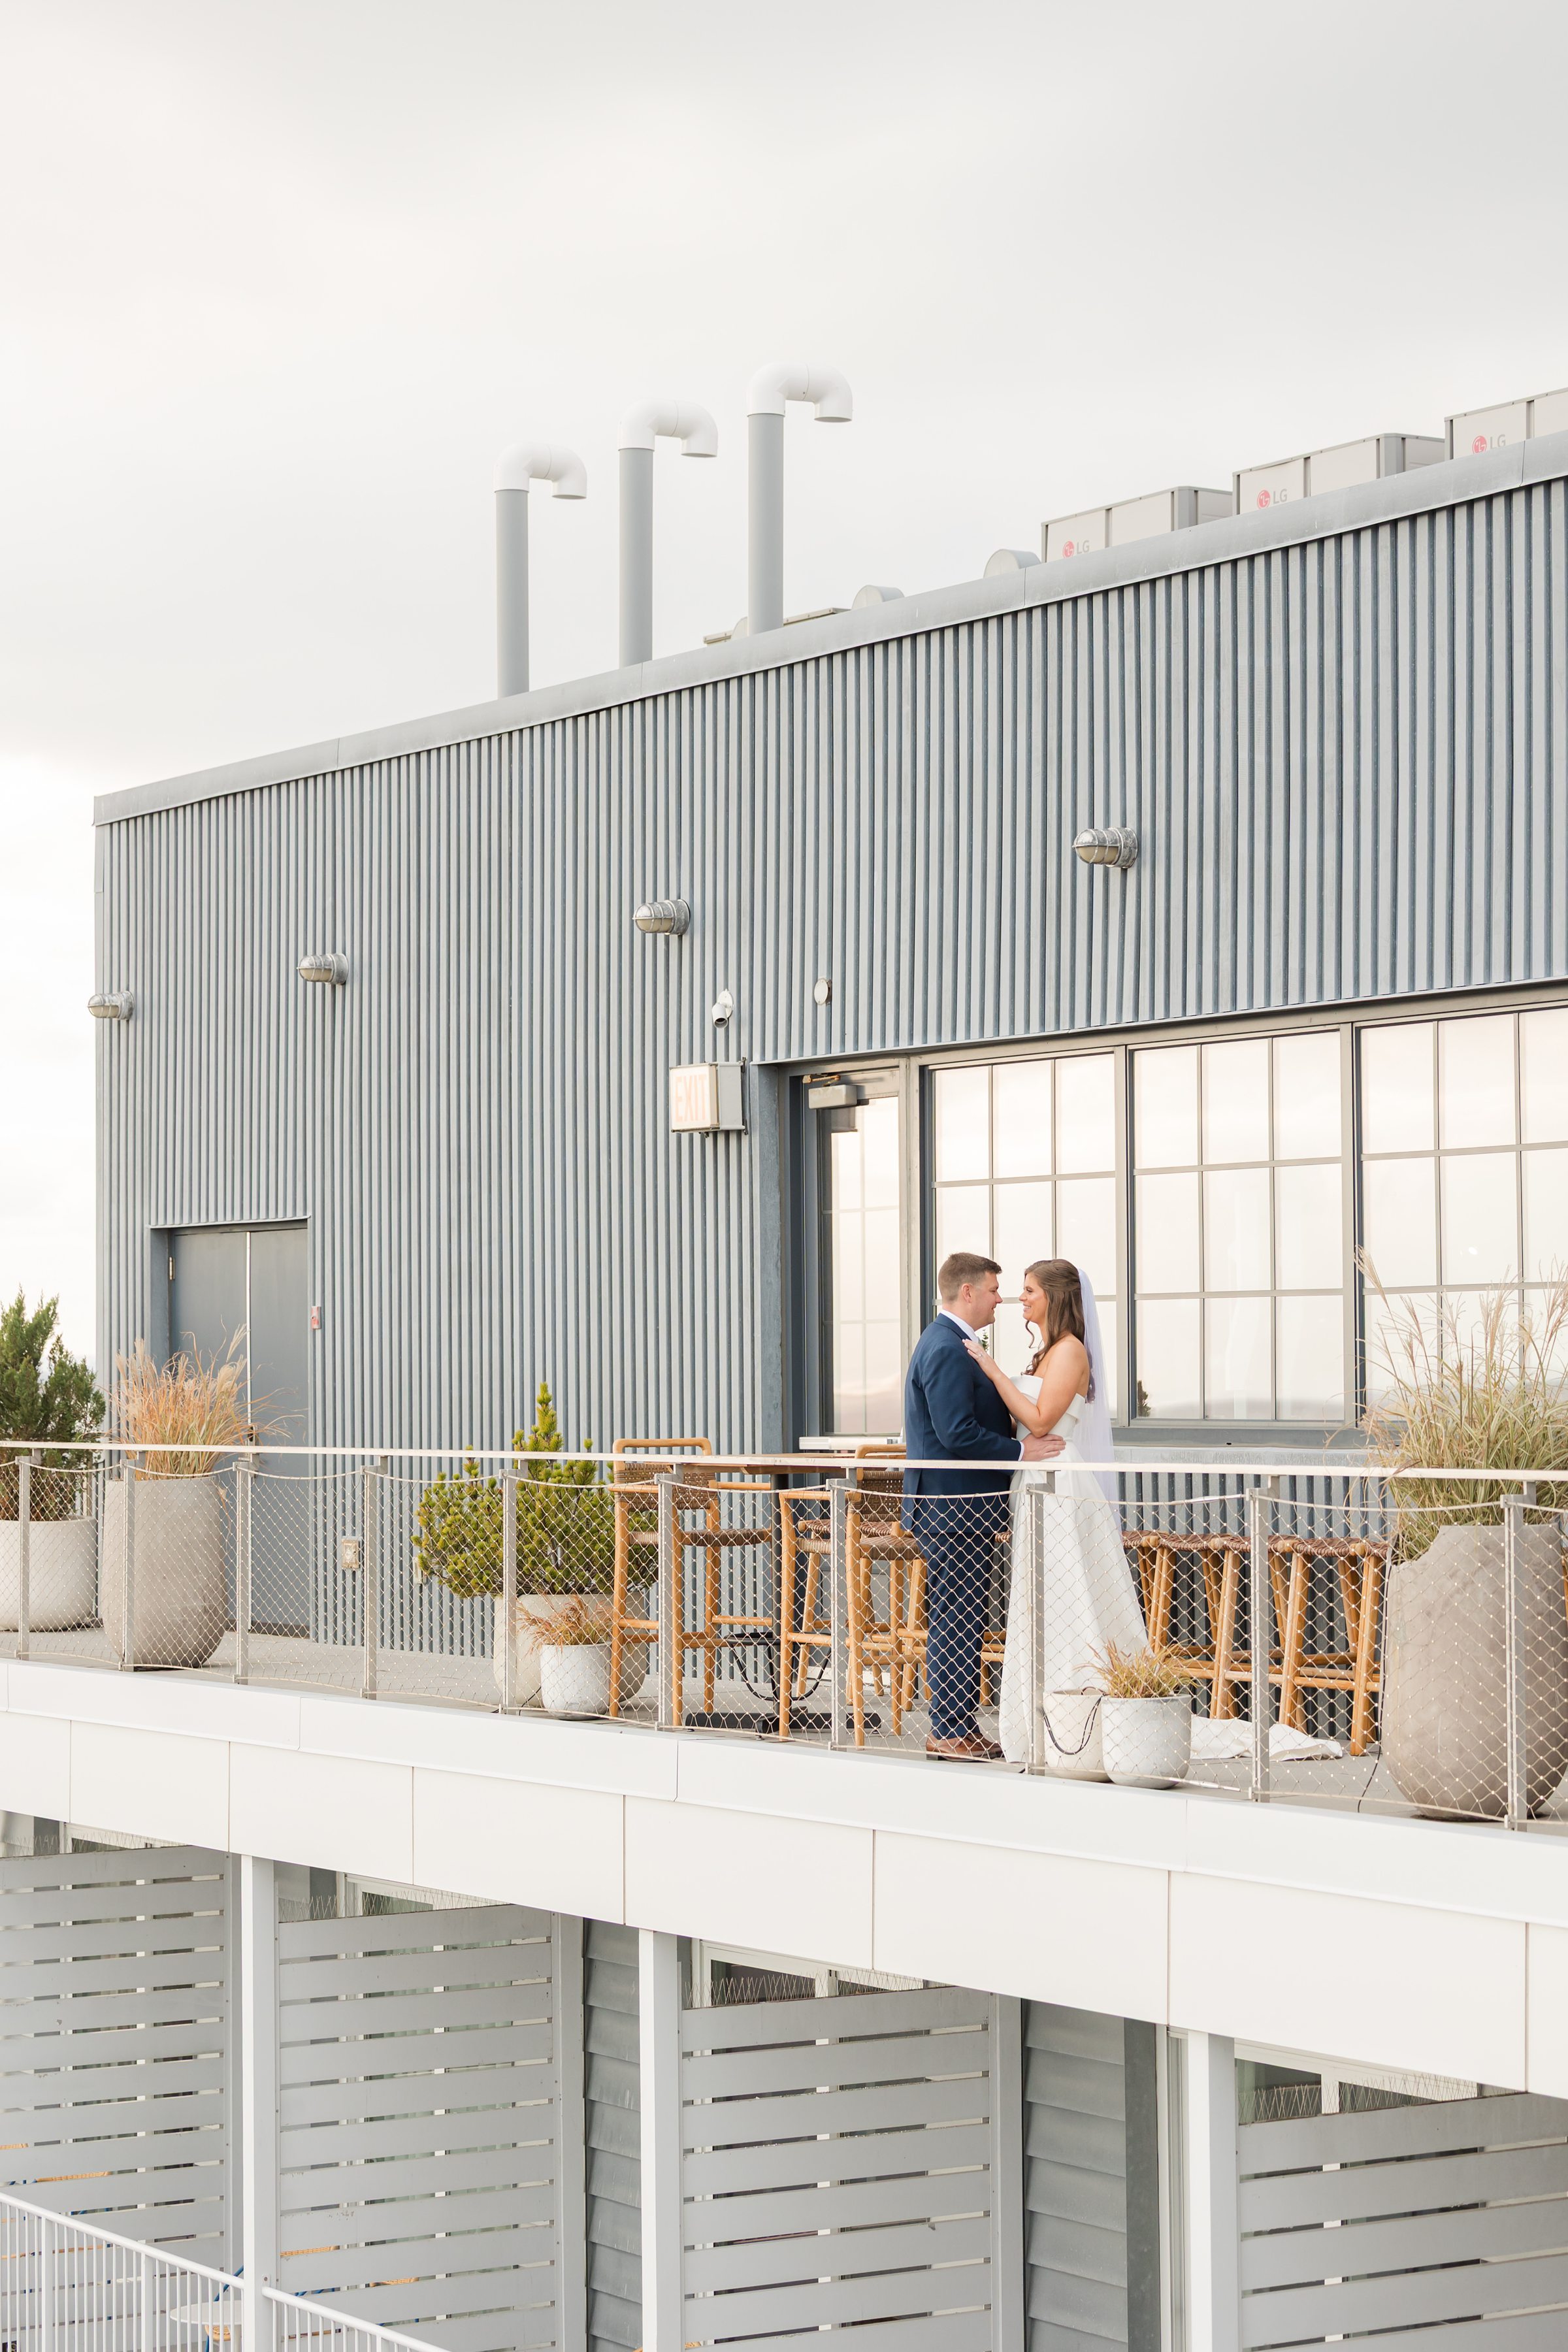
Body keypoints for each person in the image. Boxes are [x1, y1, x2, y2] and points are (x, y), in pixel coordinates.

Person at [964, 1258, 1147, 1764]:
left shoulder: (1070, 1352)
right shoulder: (1046, 1353)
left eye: (1028, 1291)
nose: (1020, 1299)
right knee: (1037, 1601)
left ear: (1056, 1297)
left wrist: (990, 1368)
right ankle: (1042, 1718)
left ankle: (1082, 1720)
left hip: (1062, 1489)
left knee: (1068, 1598)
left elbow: (1042, 1421)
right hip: (1036, 1487)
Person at [903, 1253, 1063, 1761]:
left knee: (964, 1616)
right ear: (968, 1292)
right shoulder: (946, 1348)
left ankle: (956, 1728)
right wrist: (1021, 1451)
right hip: (954, 1508)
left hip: (961, 1507)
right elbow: (955, 1433)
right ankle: (949, 1732)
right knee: (957, 1618)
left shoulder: (950, 1342)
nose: (1002, 1297)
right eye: (994, 1289)